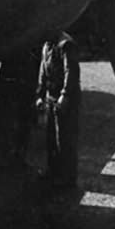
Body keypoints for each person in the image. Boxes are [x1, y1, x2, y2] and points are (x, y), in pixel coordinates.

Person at [35, 32, 80, 189]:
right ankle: (54, 172)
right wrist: (39, 95)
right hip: (50, 97)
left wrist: (65, 95)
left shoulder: (66, 45)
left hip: (65, 99)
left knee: (65, 139)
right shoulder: (47, 45)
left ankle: (68, 178)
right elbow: (43, 70)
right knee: (51, 138)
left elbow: (71, 72)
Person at [0, 47, 41, 169]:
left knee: (23, 124)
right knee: (6, 123)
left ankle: (18, 158)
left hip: (23, 83)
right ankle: (6, 157)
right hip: (9, 82)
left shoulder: (31, 50)